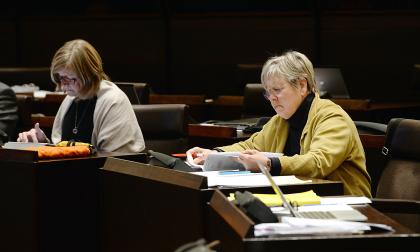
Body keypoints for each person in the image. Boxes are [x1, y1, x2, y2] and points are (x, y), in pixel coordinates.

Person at [187, 51, 371, 197]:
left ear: (302, 85)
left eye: (277, 90)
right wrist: (214, 154)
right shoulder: (281, 120)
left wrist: (270, 163)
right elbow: (250, 145)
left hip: (345, 204)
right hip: (302, 201)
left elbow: (318, 162)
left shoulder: (332, 116)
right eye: (268, 93)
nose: (272, 98)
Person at [17, 39, 145, 153]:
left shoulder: (113, 101)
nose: (62, 86)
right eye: (61, 77)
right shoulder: (70, 99)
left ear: (89, 75)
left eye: (70, 79)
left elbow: (115, 159)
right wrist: (42, 143)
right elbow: (62, 149)